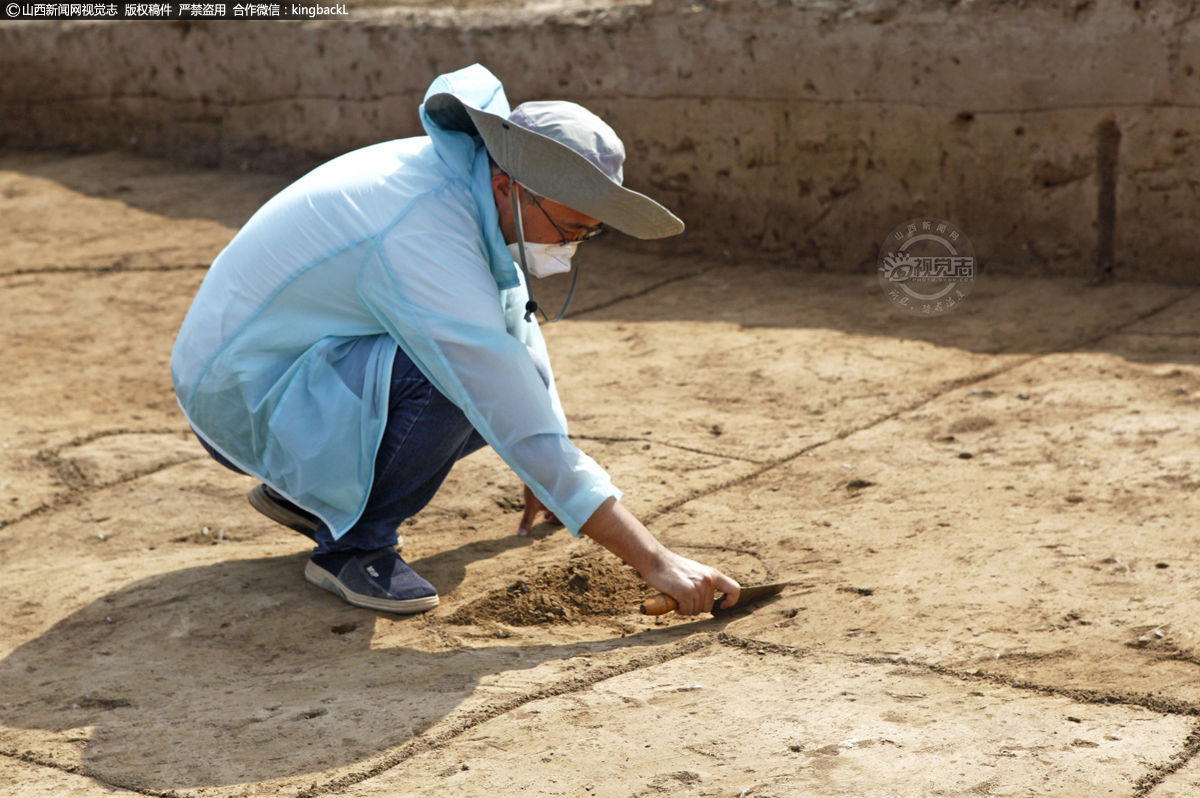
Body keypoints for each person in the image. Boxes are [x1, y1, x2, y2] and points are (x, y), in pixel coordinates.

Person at [171, 63, 740, 617]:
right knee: (450, 382)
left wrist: (544, 461)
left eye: (588, 233)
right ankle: (352, 546)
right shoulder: (422, 228)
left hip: (282, 366)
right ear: (508, 187)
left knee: (480, 383)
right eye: (569, 229)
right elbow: (489, 379)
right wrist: (655, 559)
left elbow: (514, 332)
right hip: (238, 396)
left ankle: (301, 494)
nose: (572, 246)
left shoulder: (462, 186)